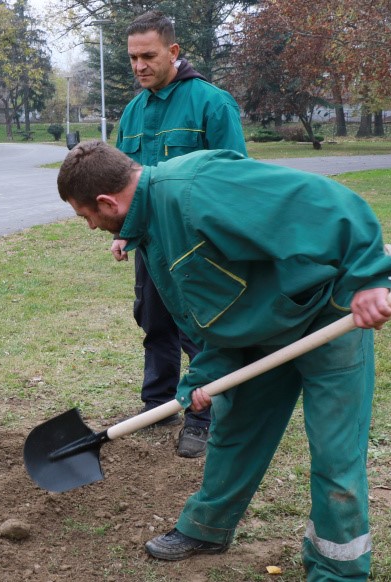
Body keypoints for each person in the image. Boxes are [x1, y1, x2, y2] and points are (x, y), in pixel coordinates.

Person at [58, 140, 391, 581]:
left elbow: (328, 202)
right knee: (235, 431)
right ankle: (207, 528)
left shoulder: (197, 188)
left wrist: (371, 277)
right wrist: (204, 375)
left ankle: (337, 567)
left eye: (86, 216)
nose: (89, 226)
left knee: (335, 452)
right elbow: (211, 309)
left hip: (324, 318)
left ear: (107, 202)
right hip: (258, 334)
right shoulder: (153, 232)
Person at [112, 11, 249, 458]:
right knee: (154, 324)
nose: (138, 66)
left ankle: (203, 416)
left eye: (148, 56)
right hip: (150, 246)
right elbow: (121, 182)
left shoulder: (212, 103)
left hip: (196, 248)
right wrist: (122, 231)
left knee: (200, 331)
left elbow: (233, 178)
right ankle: (158, 404)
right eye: (132, 58)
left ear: (173, 52)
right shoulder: (133, 112)